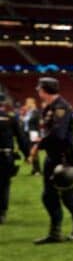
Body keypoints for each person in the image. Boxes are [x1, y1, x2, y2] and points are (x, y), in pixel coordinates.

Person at [29, 77, 73, 243]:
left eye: (39, 89)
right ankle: (55, 233)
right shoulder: (49, 108)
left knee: (68, 197)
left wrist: (38, 145)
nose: (38, 92)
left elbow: (58, 135)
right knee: (48, 196)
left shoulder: (61, 107)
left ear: (45, 90)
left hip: (64, 159)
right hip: (52, 158)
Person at [0, 93, 30, 224]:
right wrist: (28, 155)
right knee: (4, 185)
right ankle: (1, 213)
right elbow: (21, 138)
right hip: (6, 156)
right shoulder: (11, 118)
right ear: (3, 104)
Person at [21, 97, 41, 175]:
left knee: (34, 151)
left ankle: (38, 170)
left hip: (34, 133)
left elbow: (34, 122)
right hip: (27, 133)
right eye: (26, 102)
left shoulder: (35, 112)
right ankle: (34, 169)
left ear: (32, 103)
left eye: (28, 102)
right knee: (30, 150)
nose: (26, 104)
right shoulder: (29, 112)